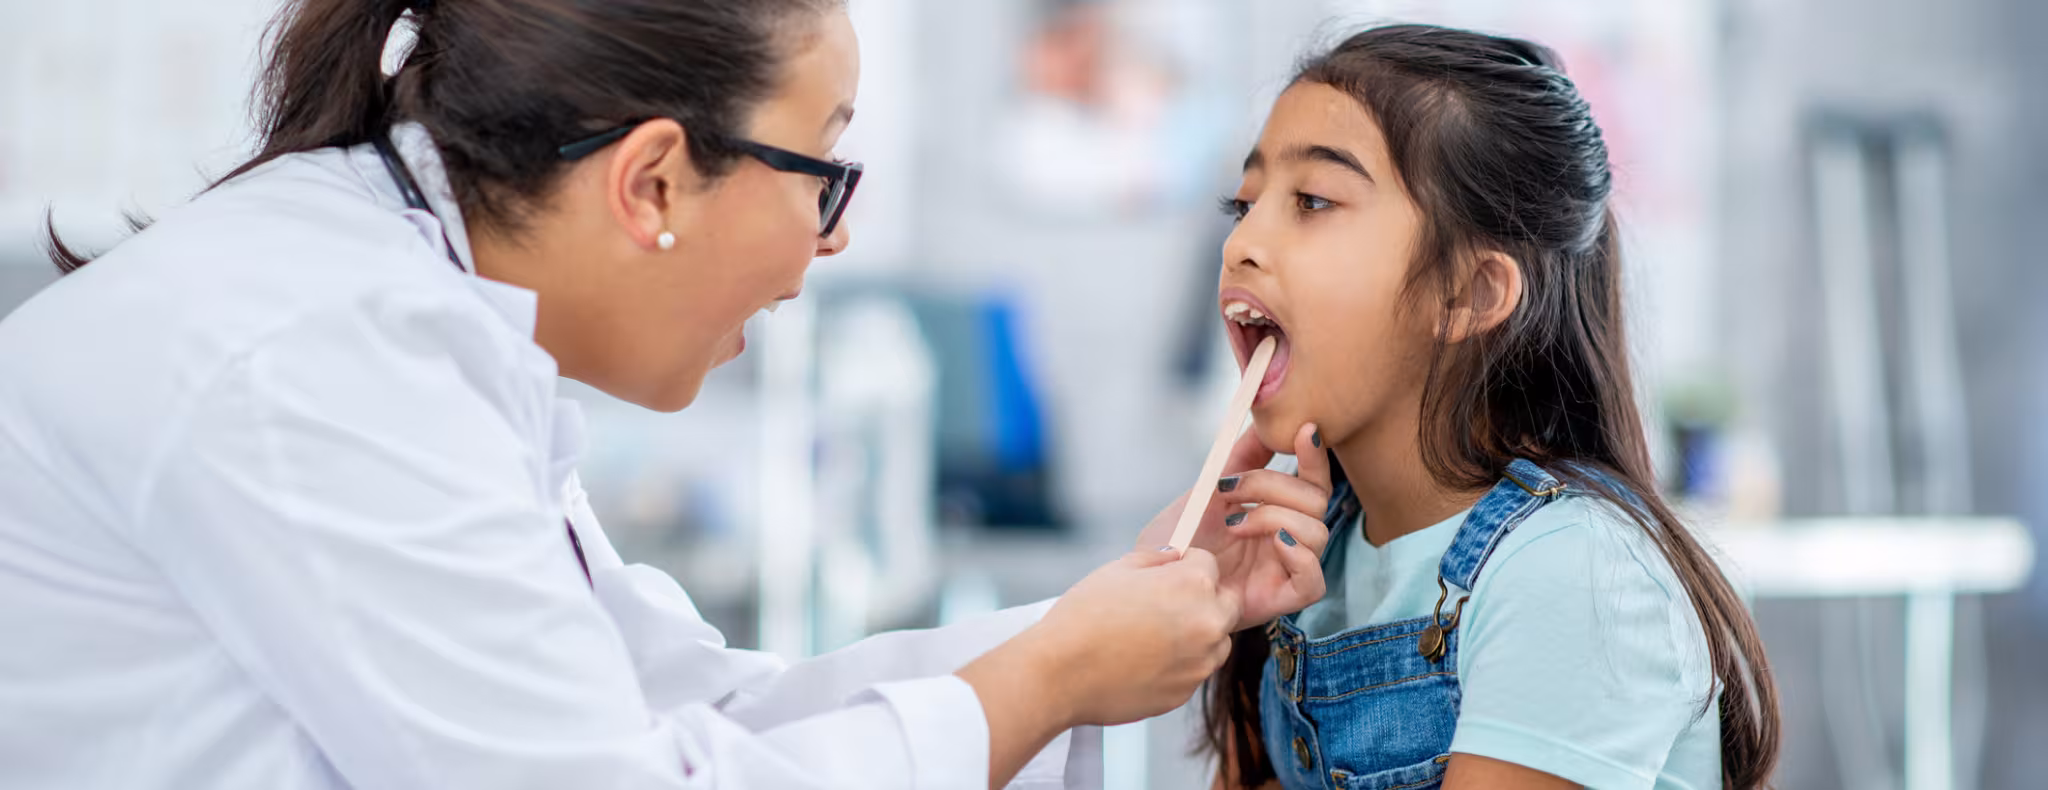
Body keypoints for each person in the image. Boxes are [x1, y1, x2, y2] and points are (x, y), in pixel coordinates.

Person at [0, 1, 1334, 787]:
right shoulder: (313, 355)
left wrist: (1108, 618)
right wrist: (1045, 677)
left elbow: (697, 713)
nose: (837, 237)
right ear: (651, 181)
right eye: (825, 169)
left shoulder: (409, 318)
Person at [1191, 25, 1782, 790]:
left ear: (1468, 294)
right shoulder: (1298, 561)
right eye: (1242, 206)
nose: (1243, 245)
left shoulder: (1574, 571)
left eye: (1312, 200)